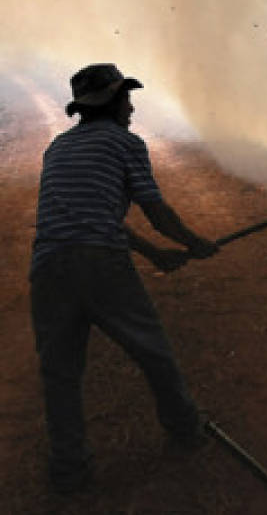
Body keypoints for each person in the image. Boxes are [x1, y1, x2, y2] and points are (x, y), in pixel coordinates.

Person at [30, 63, 219, 493]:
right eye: (126, 99)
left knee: (59, 372)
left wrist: (158, 255)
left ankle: (69, 469)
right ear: (113, 103)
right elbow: (154, 210)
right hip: (100, 264)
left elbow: (94, 219)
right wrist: (195, 243)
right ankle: (186, 429)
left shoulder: (57, 147)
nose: (131, 108)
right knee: (153, 351)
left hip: (47, 267)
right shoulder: (125, 142)